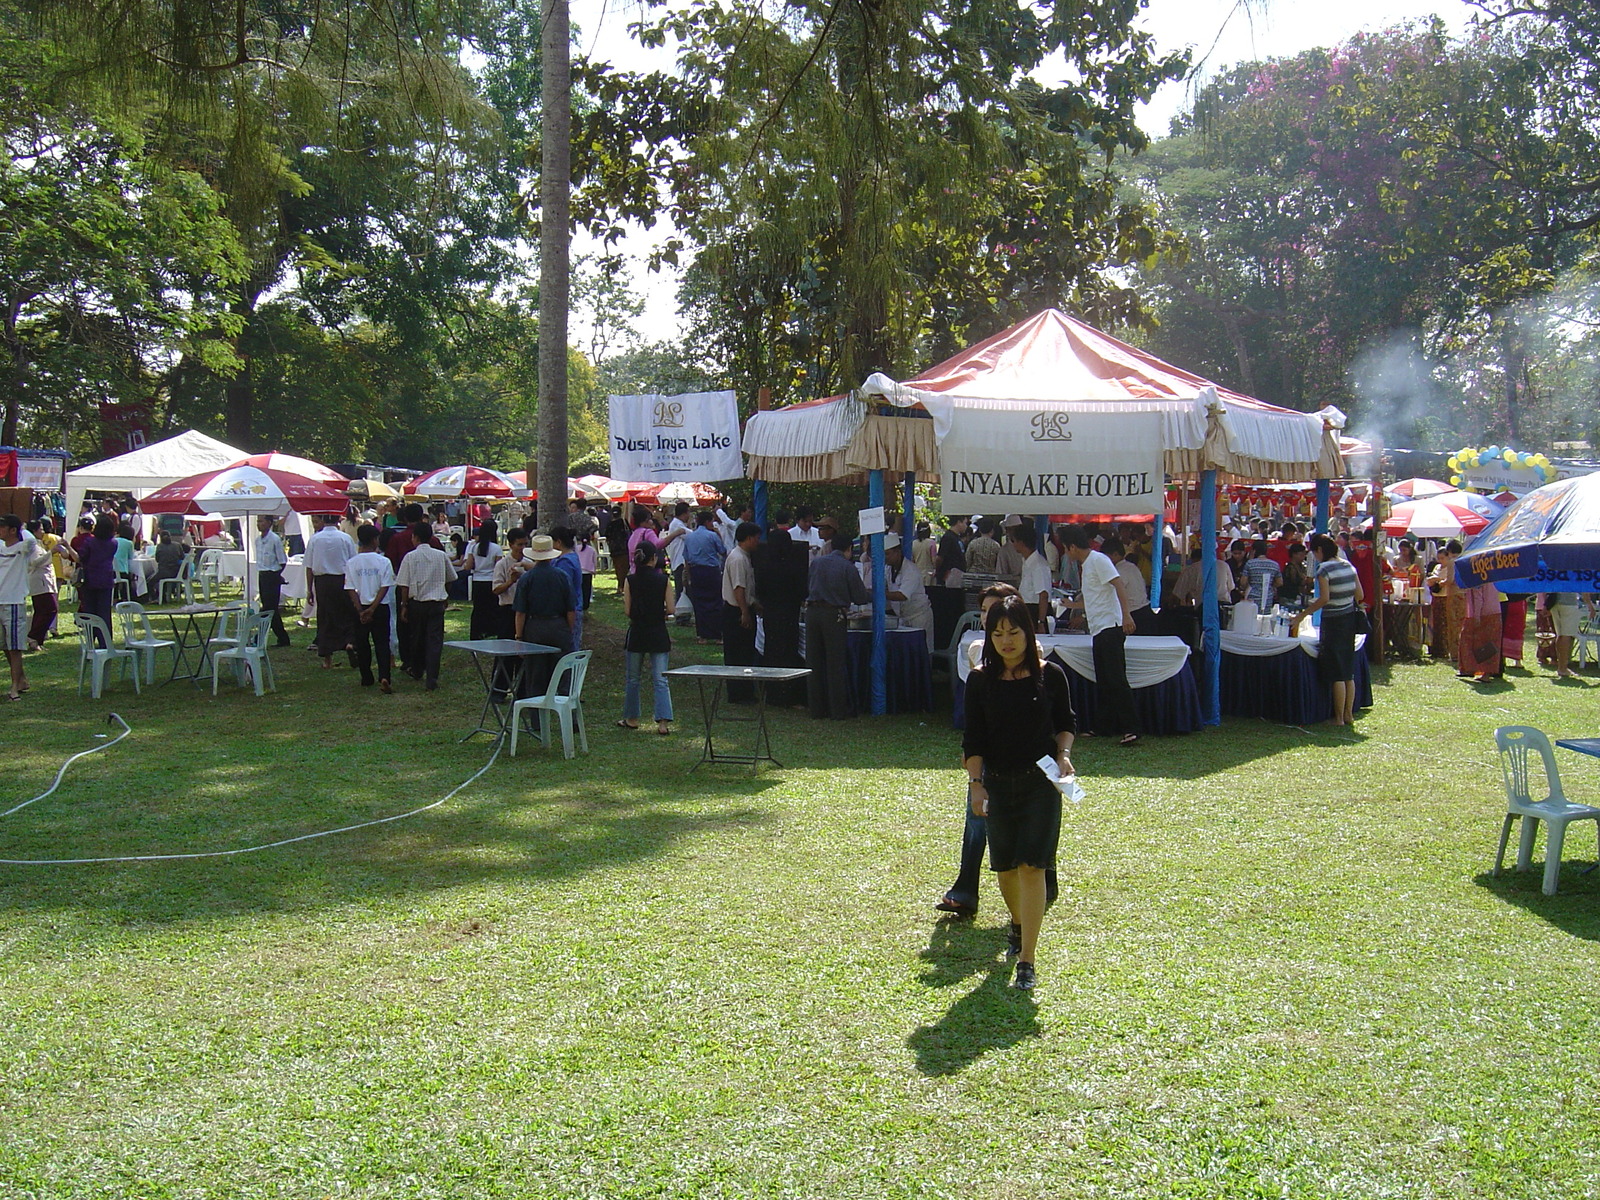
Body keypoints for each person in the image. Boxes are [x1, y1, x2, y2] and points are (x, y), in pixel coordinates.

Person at [961, 595, 1076, 991]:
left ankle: (1027, 957)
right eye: (997, 633)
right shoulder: (978, 680)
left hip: (1040, 784)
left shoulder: (1051, 675)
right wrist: (977, 784)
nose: (1006, 641)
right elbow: (972, 739)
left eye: (1013, 632)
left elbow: (1066, 724)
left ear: (1028, 631)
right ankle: (1016, 922)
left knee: (1033, 866)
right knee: (1006, 868)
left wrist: (1063, 756)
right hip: (996, 782)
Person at [1061, 524, 1139, 746]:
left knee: (1116, 679)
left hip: (1111, 626)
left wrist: (1126, 616)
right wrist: (1071, 605)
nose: (1067, 554)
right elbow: (1094, 599)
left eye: (1066, 549)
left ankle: (1131, 728)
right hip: (1098, 628)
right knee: (1104, 680)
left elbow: (1118, 586)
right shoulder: (1088, 565)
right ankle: (1104, 726)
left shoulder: (1099, 560)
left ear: (1073, 547)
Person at [1289, 533, 1364, 724]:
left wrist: (1301, 615)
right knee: (1348, 671)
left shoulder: (1324, 569)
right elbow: (1360, 594)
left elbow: (1324, 598)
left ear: (1320, 551)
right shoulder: (1349, 566)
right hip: (1349, 620)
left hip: (1333, 621)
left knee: (1336, 672)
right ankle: (1348, 714)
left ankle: (1338, 717)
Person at [805, 529, 869, 719]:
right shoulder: (847, 567)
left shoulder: (816, 563)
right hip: (833, 615)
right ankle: (838, 710)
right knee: (835, 664)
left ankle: (816, 709)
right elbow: (859, 597)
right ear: (849, 548)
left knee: (814, 663)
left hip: (812, 613)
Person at [618, 539, 675, 734]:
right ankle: (663, 722)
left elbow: (627, 610)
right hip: (658, 631)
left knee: (633, 678)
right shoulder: (663, 580)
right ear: (653, 559)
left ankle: (632, 718)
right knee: (660, 679)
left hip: (637, 632)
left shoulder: (630, 580)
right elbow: (672, 609)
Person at [394, 520, 457, 691]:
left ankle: (417, 669)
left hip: (417, 603)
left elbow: (404, 585)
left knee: (417, 638)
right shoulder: (441, 555)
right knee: (434, 641)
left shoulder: (410, 557)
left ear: (414, 537)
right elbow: (451, 578)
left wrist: (404, 605)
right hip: (436, 602)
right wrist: (445, 594)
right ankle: (432, 676)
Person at [512, 534, 573, 697]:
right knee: (563, 674)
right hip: (559, 626)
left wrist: (519, 637)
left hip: (535, 628)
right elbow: (571, 609)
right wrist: (568, 630)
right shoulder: (562, 576)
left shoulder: (527, 578)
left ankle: (536, 718)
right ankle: (567, 716)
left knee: (536, 677)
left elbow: (520, 612)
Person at [343, 524, 396, 691]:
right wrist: (373, 608)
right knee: (381, 642)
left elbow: (350, 588)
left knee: (362, 642)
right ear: (375, 540)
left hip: (360, 605)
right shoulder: (383, 561)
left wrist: (360, 610)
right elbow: (385, 586)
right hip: (380, 606)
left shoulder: (352, 563)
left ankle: (366, 676)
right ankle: (384, 676)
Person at [304, 513, 359, 669]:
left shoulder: (315, 539)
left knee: (325, 617)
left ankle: (327, 658)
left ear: (323, 520)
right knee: (347, 614)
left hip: (323, 582)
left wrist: (309, 589)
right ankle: (349, 642)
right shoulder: (345, 538)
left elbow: (309, 566)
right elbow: (352, 562)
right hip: (342, 580)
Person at [721, 521, 762, 702]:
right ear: (749, 538)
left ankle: (744, 690)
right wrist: (744, 612)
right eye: (756, 539)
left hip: (744, 607)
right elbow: (739, 588)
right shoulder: (738, 558)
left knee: (745, 652)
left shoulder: (745, 557)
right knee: (737, 653)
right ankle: (738, 693)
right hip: (735, 610)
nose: (758, 542)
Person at [883, 531, 934, 649]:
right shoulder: (888, 569)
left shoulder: (911, 570)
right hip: (903, 618)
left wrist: (879, 594)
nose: (886, 557)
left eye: (888, 554)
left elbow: (902, 595)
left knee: (923, 651)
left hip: (919, 617)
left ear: (898, 552)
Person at [683, 509, 727, 643]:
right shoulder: (712, 536)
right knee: (715, 601)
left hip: (696, 571)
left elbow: (687, 557)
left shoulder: (689, 537)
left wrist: (688, 575)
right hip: (711, 571)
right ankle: (717, 634)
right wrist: (718, 534)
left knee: (699, 602)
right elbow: (723, 551)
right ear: (708, 522)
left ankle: (702, 635)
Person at [76, 514, 119, 645]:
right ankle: (105, 641)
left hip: (90, 579)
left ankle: (90, 641)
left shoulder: (90, 542)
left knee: (90, 612)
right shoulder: (113, 543)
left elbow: (81, 557)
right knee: (104, 613)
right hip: (106, 579)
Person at [461, 519, 503, 641]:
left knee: (478, 609)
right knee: (492, 609)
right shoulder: (496, 548)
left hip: (477, 580)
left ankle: (476, 633)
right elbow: (498, 567)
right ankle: (491, 630)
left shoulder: (475, 547)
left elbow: (468, 566)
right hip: (491, 580)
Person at [254, 515, 292, 647]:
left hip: (272, 575)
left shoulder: (275, 540)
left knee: (268, 608)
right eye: (258, 521)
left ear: (269, 523)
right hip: (262, 574)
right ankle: (281, 637)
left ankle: (260, 637)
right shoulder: (258, 540)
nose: (259, 524)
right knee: (269, 608)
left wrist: (276, 576)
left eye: (261, 521)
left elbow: (282, 561)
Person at [1009, 524, 1052, 631]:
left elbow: (1043, 595)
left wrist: (1041, 622)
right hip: (1027, 608)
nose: (1013, 544)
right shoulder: (1027, 562)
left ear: (1021, 542)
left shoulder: (1038, 565)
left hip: (1036, 610)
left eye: (1013, 541)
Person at [1459, 575, 1502, 680]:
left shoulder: (1476, 579)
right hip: (1495, 611)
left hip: (1482, 613)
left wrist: (1477, 618)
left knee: (1469, 641)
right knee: (1491, 643)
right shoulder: (1492, 577)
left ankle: (1470, 668)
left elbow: (1478, 598)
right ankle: (1485, 672)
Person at [550, 524, 585, 651]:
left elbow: (562, 586)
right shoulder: (568, 557)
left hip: (570, 610)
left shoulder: (565, 562)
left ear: (558, 542)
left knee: (569, 647)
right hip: (571, 608)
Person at [1428, 541, 1464, 661]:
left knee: (1453, 624)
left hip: (1453, 594)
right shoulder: (1465, 559)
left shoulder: (1452, 562)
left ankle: (1454, 654)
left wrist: (1440, 583)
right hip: (1464, 594)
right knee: (1462, 623)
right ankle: (1462, 651)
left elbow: (1450, 580)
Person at [1239, 539, 1283, 610]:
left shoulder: (1250, 563)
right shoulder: (1275, 565)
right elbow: (1280, 582)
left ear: (1254, 550)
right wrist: (1271, 586)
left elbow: (1243, 582)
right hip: (1268, 597)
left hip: (1252, 597)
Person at [663, 500, 692, 596]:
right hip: (680, 561)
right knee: (681, 587)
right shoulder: (677, 524)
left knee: (685, 587)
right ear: (684, 513)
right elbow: (691, 536)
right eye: (689, 512)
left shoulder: (679, 524)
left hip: (682, 560)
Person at [935, 514, 969, 587]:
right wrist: (939, 571)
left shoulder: (957, 538)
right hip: (949, 576)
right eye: (965, 523)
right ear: (959, 522)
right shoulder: (948, 537)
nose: (966, 526)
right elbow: (940, 557)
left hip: (958, 576)